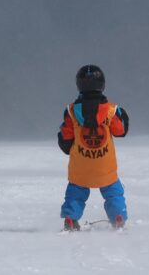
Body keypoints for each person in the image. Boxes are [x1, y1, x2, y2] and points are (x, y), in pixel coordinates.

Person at [57, 65, 130, 231]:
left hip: (81, 164)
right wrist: (121, 114)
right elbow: (121, 131)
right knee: (113, 192)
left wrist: (68, 147)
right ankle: (118, 216)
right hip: (104, 164)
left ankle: (70, 218)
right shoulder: (110, 110)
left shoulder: (72, 111)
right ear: (102, 85)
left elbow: (66, 136)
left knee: (76, 191)